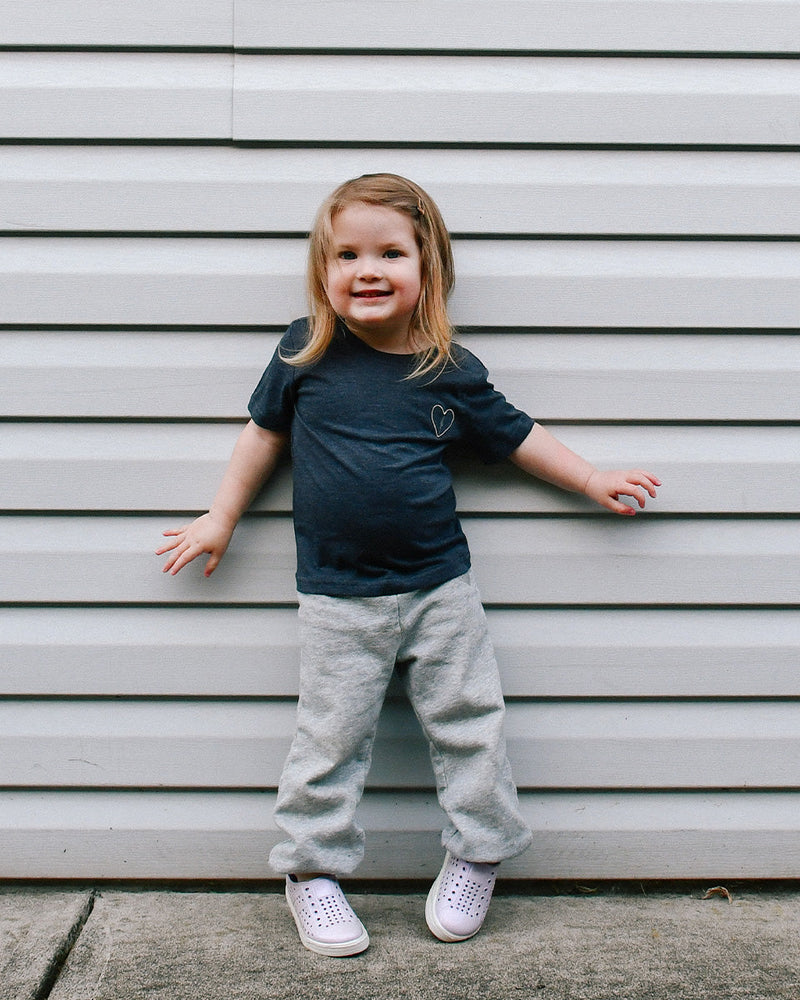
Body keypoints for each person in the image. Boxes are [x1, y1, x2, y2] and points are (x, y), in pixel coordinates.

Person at [157, 173, 660, 957]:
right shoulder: (304, 351)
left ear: (429, 266)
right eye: (348, 254)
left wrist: (591, 478)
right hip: (337, 596)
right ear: (323, 269)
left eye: (391, 253)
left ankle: (478, 852)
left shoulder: (447, 368)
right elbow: (262, 435)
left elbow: (517, 436)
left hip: (439, 589)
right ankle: (311, 871)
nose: (368, 270)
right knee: (329, 739)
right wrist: (221, 516)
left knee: (470, 726)